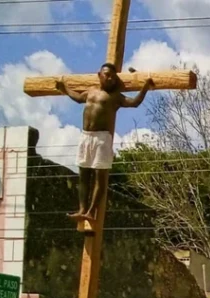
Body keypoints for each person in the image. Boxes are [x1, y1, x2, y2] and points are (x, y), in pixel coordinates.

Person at [55, 64, 153, 228]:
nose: (110, 78)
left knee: (100, 176)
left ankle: (91, 211)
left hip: (102, 138)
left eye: (113, 76)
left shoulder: (115, 97)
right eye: (107, 75)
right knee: (83, 175)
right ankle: (82, 209)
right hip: (86, 136)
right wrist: (64, 88)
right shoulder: (90, 91)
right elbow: (78, 97)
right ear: (99, 75)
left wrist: (145, 87)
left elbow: (134, 102)